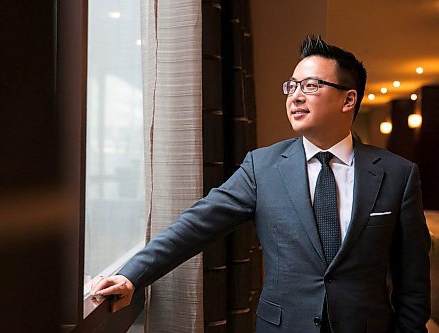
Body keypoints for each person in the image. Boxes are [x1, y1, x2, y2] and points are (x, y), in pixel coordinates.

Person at [91, 36, 431, 332]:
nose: (296, 96)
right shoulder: (262, 167)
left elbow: (412, 279)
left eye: (311, 86)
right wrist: (132, 275)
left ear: (348, 99)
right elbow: (196, 225)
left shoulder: (397, 173)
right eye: (292, 86)